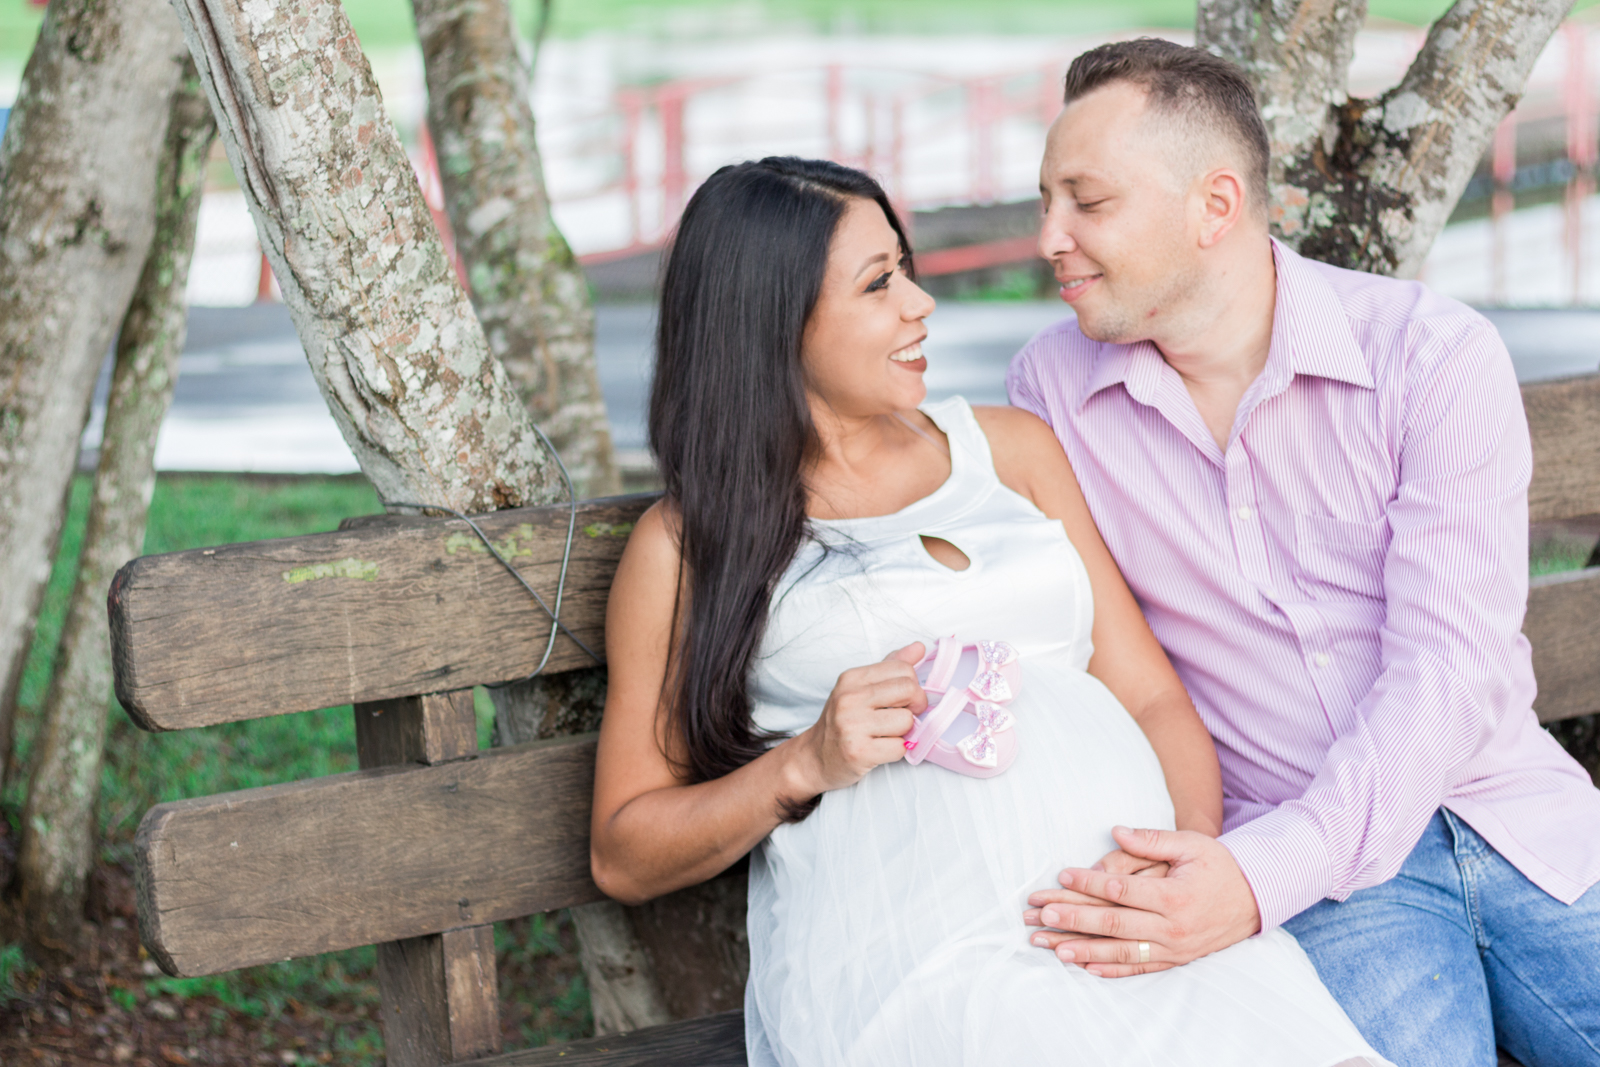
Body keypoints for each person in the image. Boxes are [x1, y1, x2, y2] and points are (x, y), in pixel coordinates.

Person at [590, 155, 1388, 1066]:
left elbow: (1154, 698)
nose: (920, 304)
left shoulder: (1010, 452)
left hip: (1122, 915)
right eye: (879, 283)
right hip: (922, 956)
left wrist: (1181, 858)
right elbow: (625, 850)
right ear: (774, 321)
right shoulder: (688, 547)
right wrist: (804, 761)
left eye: (908, 270)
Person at [1008, 39, 1600, 1067]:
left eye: (1086, 202)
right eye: (1045, 200)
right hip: (1316, 879)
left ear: (1214, 204)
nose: (1047, 236)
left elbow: (1448, 671)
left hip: (1507, 816)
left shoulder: (1428, 354)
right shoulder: (1051, 394)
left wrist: (1254, 874)